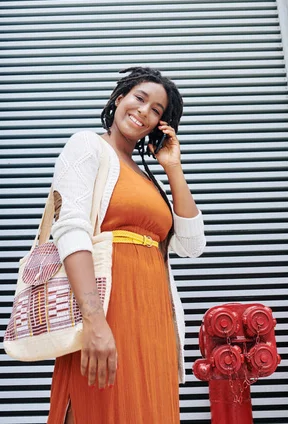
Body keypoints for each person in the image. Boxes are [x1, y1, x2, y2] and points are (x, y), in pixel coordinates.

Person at [47, 66, 205, 424]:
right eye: (140, 98)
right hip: (107, 308)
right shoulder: (88, 145)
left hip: (153, 318)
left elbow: (192, 244)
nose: (144, 112)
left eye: (157, 111)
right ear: (120, 99)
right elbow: (70, 230)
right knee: (98, 407)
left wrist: (172, 168)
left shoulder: (147, 177)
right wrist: (95, 320)